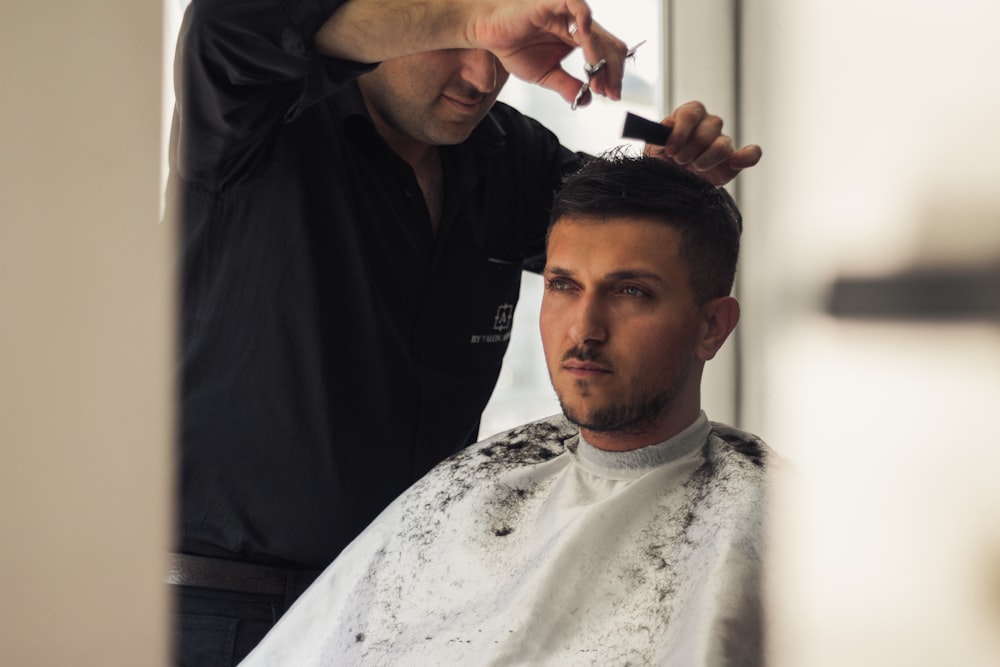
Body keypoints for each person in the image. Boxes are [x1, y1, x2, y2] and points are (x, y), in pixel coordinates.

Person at [167, 0, 762, 663]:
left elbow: (622, 246)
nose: (481, 75)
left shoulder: (508, 158)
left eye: (500, 50)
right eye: (455, 37)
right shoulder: (256, 117)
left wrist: (667, 174)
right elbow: (227, 20)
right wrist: (476, 20)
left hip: (410, 603)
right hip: (227, 608)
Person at [238, 154, 775, 666]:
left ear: (712, 327)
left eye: (631, 291)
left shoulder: (774, 527)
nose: (583, 329)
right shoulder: (471, 488)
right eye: (563, 286)